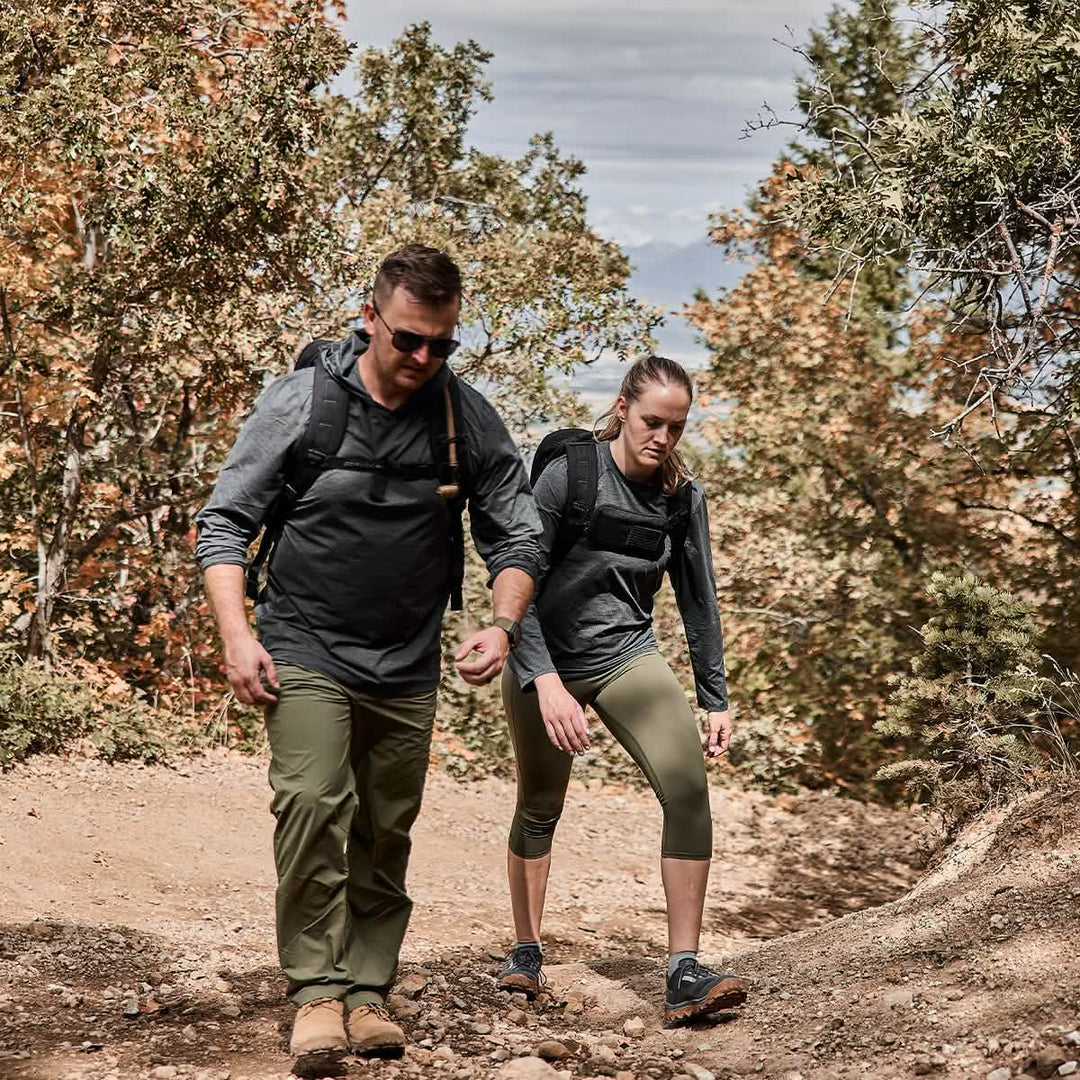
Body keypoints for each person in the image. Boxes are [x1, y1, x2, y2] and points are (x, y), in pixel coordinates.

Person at [195, 245, 541, 1071]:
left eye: (443, 343)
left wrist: (502, 622)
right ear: (370, 319)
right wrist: (238, 635)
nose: (424, 358)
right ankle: (316, 992)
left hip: (408, 658)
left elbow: (518, 529)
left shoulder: (462, 415)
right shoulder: (304, 403)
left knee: (387, 827)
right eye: (409, 340)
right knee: (314, 802)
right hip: (305, 644)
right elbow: (224, 524)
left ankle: (368, 989)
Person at [496, 355, 749, 1025]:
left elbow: (700, 603)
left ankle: (684, 972)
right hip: (541, 654)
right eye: (651, 421)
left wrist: (714, 697)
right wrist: (544, 681)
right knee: (540, 801)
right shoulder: (568, 477)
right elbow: (515, 581)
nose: (661, 437)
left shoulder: (680, 499)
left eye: (676, 426)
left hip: (626, 656)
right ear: (621, 410)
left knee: (688, 789)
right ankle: (524, 954)